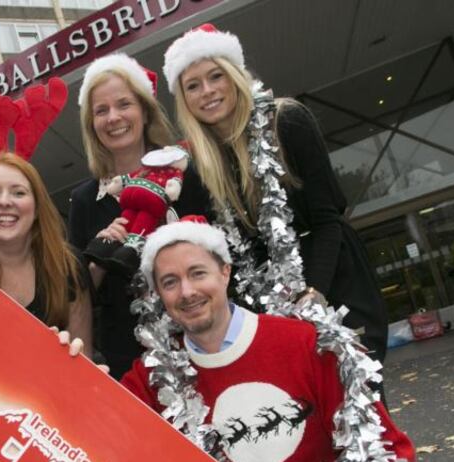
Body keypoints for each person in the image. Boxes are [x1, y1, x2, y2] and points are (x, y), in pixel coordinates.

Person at [118, 217, 445, 462]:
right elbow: (96, 426)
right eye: (170, 282)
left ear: (225, 273)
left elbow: (383, 450)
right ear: (159, 296)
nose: (186, 292)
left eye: (198, 273)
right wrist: (58, 358)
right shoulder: (153, 379)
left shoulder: (305, 342)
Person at [163, 24, 388, 373]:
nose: (207, 91)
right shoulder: (197, 171)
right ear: (185, 100)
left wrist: (313, 295)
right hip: (266, 309)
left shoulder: (287, 121)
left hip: (334, 282)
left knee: (361, 410)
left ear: (234, 75)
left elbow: (329, 219)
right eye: (193, 85)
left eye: (215, 76)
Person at [70, 53, 208, 379]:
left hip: (202, 342)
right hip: (130, 364)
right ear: (92, 124)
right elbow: (77, 296)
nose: (113, 117)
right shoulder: (85, 199)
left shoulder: (185, 173)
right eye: (101, 111)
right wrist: (100, 256)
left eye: (123, 104)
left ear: (144, 111)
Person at [0, 152, 92, 353]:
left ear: (37, 207)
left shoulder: (68, 266)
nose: (4, 201)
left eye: (18, 193)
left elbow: (85, 360)